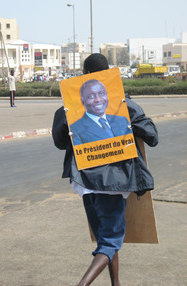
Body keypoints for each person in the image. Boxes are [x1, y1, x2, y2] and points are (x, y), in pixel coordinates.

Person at [52, 53, 158, 286]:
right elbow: (152, 136)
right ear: (109, 72)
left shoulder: (68, 109)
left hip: (84, 183)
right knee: (110, 242)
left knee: (105, 238)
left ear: (84, 74)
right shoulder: (124, 103)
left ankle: (116, 284)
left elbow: (59, 142)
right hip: (114, 182)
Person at [70, 79, 132, 145]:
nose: (98, 99)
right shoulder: (75, 128)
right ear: (83, 101)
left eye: (101, 94)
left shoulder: (122, 120)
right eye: (91, 96)